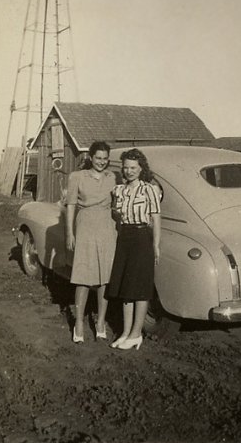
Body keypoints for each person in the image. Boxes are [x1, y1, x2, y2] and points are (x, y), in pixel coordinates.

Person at [108, 148, 161, 351]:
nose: (129, 171)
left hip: (142, 237)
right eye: (126, 167)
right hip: (125, 237)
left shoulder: (150, 189)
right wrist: (116, 212)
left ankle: (136, 334)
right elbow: (116, 215)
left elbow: (156, 218)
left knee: (139, 287)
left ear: (141, 169)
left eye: (133, 168)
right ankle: (126, 332)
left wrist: (155, 245)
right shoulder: (119, 190)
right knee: (125, 287)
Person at [66, 141, 116, 343]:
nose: (101, 162)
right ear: (90, 158)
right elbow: (70, 205)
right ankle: (78, 322)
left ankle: (101, 321)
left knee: (105, 277)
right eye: (98, 158)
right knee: (83, 276)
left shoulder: (112, 177)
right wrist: (70, 232)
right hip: (85, 225)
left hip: (107, 227)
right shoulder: (77, 177)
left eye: (105, 159)